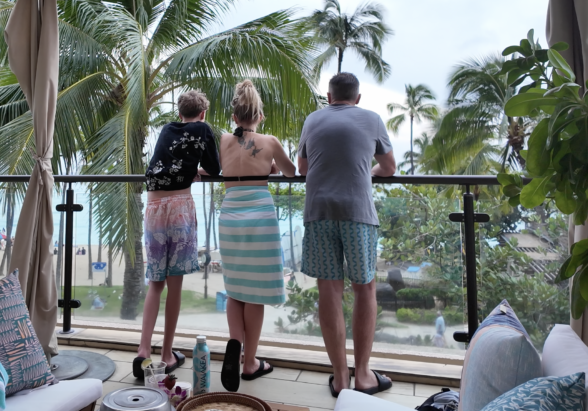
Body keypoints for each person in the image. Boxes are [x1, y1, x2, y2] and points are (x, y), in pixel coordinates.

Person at [297, 72, 396, 397]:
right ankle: (363, 375)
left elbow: (302, 168)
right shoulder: (372, 118)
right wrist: (366, 172)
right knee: (365, 288)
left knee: (329, 290)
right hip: (357, 212)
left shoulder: (312, 119)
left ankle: (340, 378)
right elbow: (389, 166)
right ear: (357, 98)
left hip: (319, 210)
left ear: (329, 97)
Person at [132, 90, 221, 380]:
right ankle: (167, 354)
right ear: (203, 113)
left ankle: (143, 350)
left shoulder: (167, 129)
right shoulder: (203, 129)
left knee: (155, 282)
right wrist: (196, 171)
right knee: (175, 286)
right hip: (180, 206)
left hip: (155, 206)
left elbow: (163, 163)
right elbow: (215, 169)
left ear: (179, 113)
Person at [216, 80, 296, 392]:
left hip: (231, 213)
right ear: (259, 116)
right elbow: (290, 172)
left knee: (235, 288)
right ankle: (250, 362)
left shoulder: (223, 140)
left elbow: (218, 167)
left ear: (234, 117)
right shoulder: (270, 141)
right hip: (260, 216)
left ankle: (235, 342)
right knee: (256, 293)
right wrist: (271, 166)